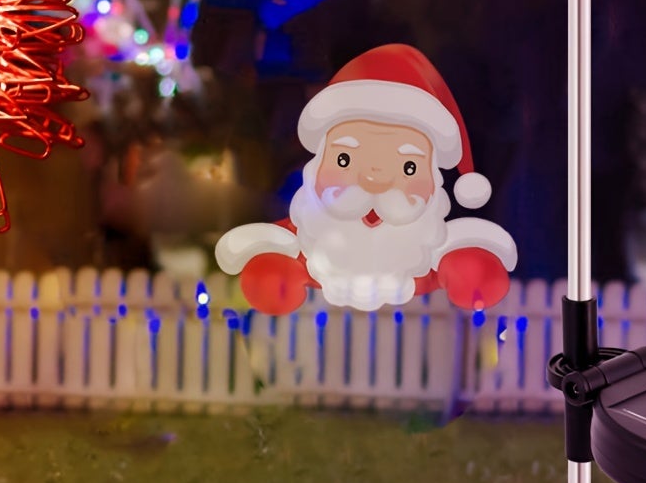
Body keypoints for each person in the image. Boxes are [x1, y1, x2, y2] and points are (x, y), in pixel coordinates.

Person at [214, 44, 516, 312]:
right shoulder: (309, 238)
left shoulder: (423, 246)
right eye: (344, 159)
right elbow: (274, 265)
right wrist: (274, 272)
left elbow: (471, 272)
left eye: (408, 168)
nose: (374, 181)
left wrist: (470, 269)